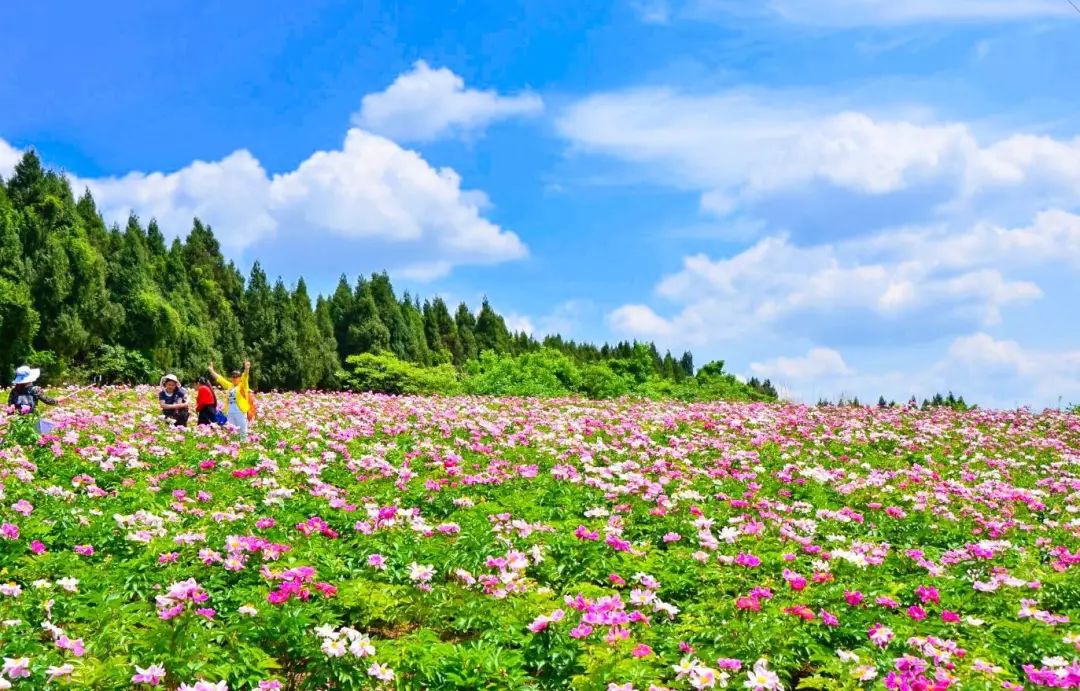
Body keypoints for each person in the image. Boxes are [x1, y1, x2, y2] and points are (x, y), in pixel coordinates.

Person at [8, 365, 65, 434]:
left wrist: (11, 419)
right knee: (45, 431)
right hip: (31, 419)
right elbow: (48, 401)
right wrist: (58, 400)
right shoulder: (35, 389)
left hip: (17, 421)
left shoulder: (14, 391)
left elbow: (10, 407)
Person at [209, 360, 252, 436]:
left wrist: (246, 369)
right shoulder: (230, 386)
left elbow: (245, 376)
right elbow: (220, 379)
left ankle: (243, 445)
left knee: (242, 432)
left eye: (236, 377)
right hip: (230, 412)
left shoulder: (243, 386)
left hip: (240, 412)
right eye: (233, 377)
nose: (234, 378)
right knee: (231, 432)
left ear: (239, 378)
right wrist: (212, 371)